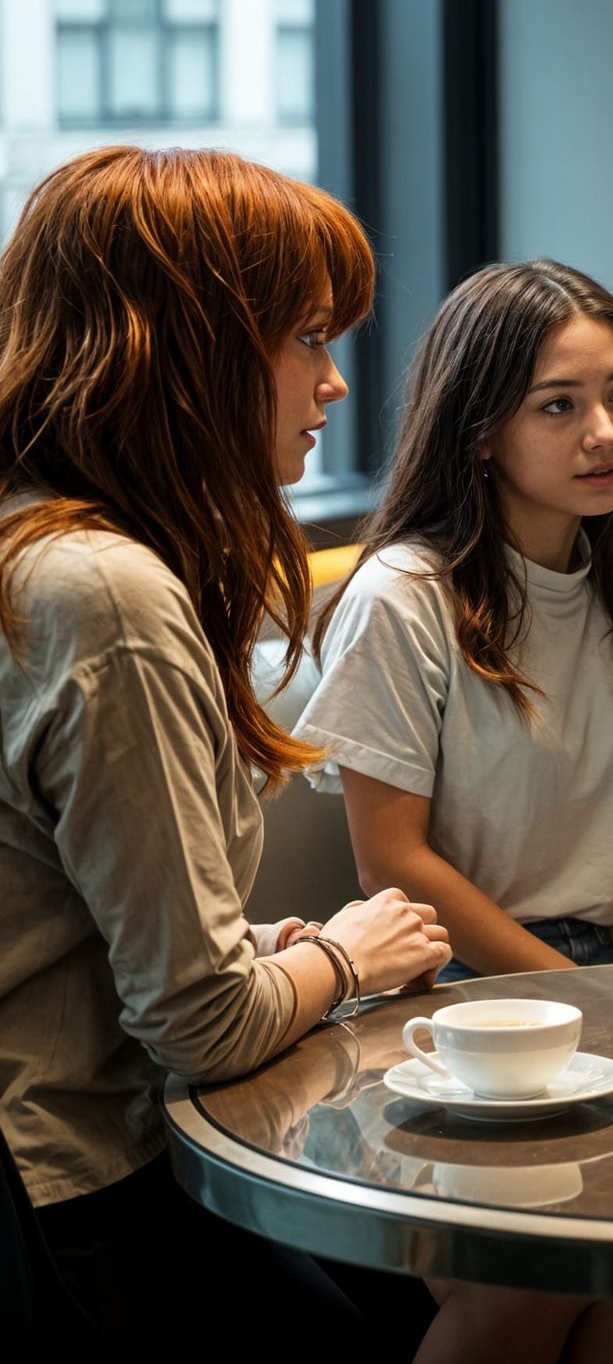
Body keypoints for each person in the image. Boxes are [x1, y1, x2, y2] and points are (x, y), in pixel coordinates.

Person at [0, 146, 450, 1352]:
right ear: (190, 352)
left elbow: (54, 899)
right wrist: (350, 956)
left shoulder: (35, 549)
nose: (336, 383)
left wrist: (248, 946)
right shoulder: (108, 595)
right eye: (309, 337)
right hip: (73, 1185)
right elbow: (196, 1024)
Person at [300, 261, 613, 982]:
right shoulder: (403, 599)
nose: (606, 433)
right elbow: (389, 861)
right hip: (457, 965)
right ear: (480, 431)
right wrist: (583, 996)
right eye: (558, 406)